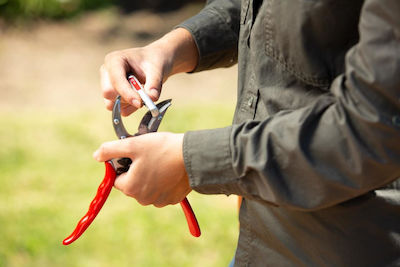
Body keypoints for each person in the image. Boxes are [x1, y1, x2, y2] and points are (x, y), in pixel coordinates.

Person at [93, 0, 400, 265]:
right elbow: (263, 11)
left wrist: (192, 163)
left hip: (356, 247)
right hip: (268, 238)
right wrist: (171, 48)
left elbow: (374, 126)